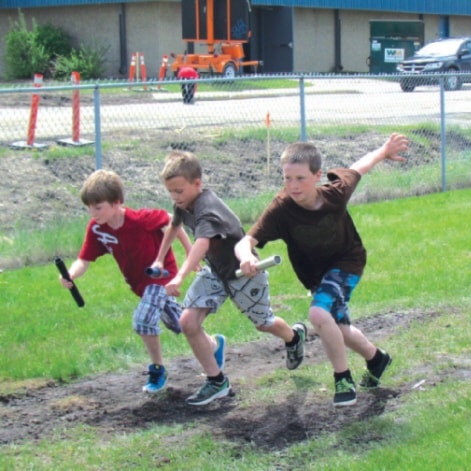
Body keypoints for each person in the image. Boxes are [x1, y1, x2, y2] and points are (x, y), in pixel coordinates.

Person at [235, 133, 409, 407]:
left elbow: (359, 167)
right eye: (287, 178)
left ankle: (343, 378)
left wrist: (385, 150)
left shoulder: (336, 194)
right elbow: (247, 240)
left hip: (347, 262)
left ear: (317, 176)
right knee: (337, 326)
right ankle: (377, 360)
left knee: (318, 313)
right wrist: (245, 257)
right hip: (316, 274)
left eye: (300, 178)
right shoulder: (281, 209)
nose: (293, 186)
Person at [154, 150, 307, 406]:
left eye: (179, 191)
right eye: (171, 192)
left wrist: (179, 277)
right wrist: (160, 258)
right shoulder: (184, 203)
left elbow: (201, 244)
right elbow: (174, 226)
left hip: (244, 273)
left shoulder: (207, 210)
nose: (175, 197)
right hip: (216, 271)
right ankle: (217, 382)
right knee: (188, 322)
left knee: (263, 323)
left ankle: (293, 337)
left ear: (197, 184)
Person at [58, 169, 192, 394]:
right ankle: (213, 345)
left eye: (98, 207)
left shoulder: (139, 220)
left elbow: (172, 222)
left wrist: (190, 252)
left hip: (161, 277)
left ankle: (158, 369)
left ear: (117, 202)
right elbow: (84, 260)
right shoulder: (97, 229)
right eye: (89, 207)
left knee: (143, 321)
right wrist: (70, 275)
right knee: (181, 324)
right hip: (140, 285)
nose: (92, 212)